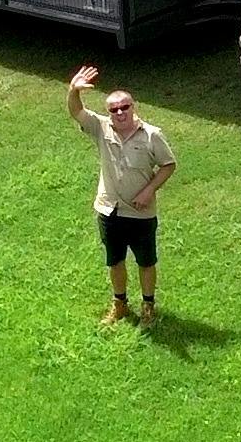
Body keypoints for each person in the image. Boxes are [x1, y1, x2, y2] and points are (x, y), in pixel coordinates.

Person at [67, 66, 176, 325]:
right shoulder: (101, 128)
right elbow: (76, 111)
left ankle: (148, 306)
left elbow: (169, 164)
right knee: (115, 260)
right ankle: (120, 304)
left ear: (133, 107)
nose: (119, 113)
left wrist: (150, 190)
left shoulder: (152, 135)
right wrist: (73, 90)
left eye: (124, 107)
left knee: (146, 262)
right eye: (114, 110)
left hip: (141, 213)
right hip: (109, 210)